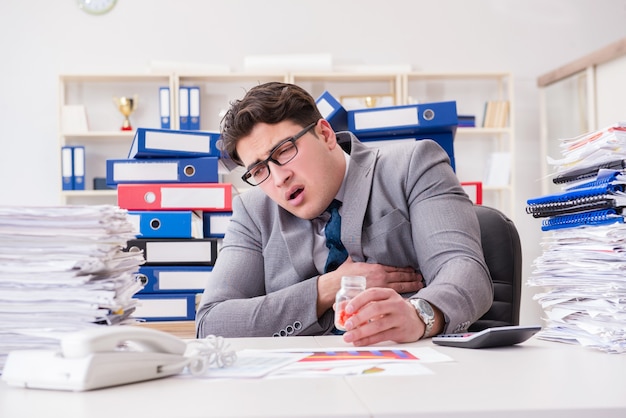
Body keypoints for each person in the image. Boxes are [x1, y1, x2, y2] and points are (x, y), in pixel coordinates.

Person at [196, 82, 493, 346]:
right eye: (259, 169)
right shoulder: (253, 211)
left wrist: (420, 315)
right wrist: (326, 289)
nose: (277, 178)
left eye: (284, 151)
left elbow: (465, 271)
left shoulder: (413, 166)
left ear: (325, 135)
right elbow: (212, 322)